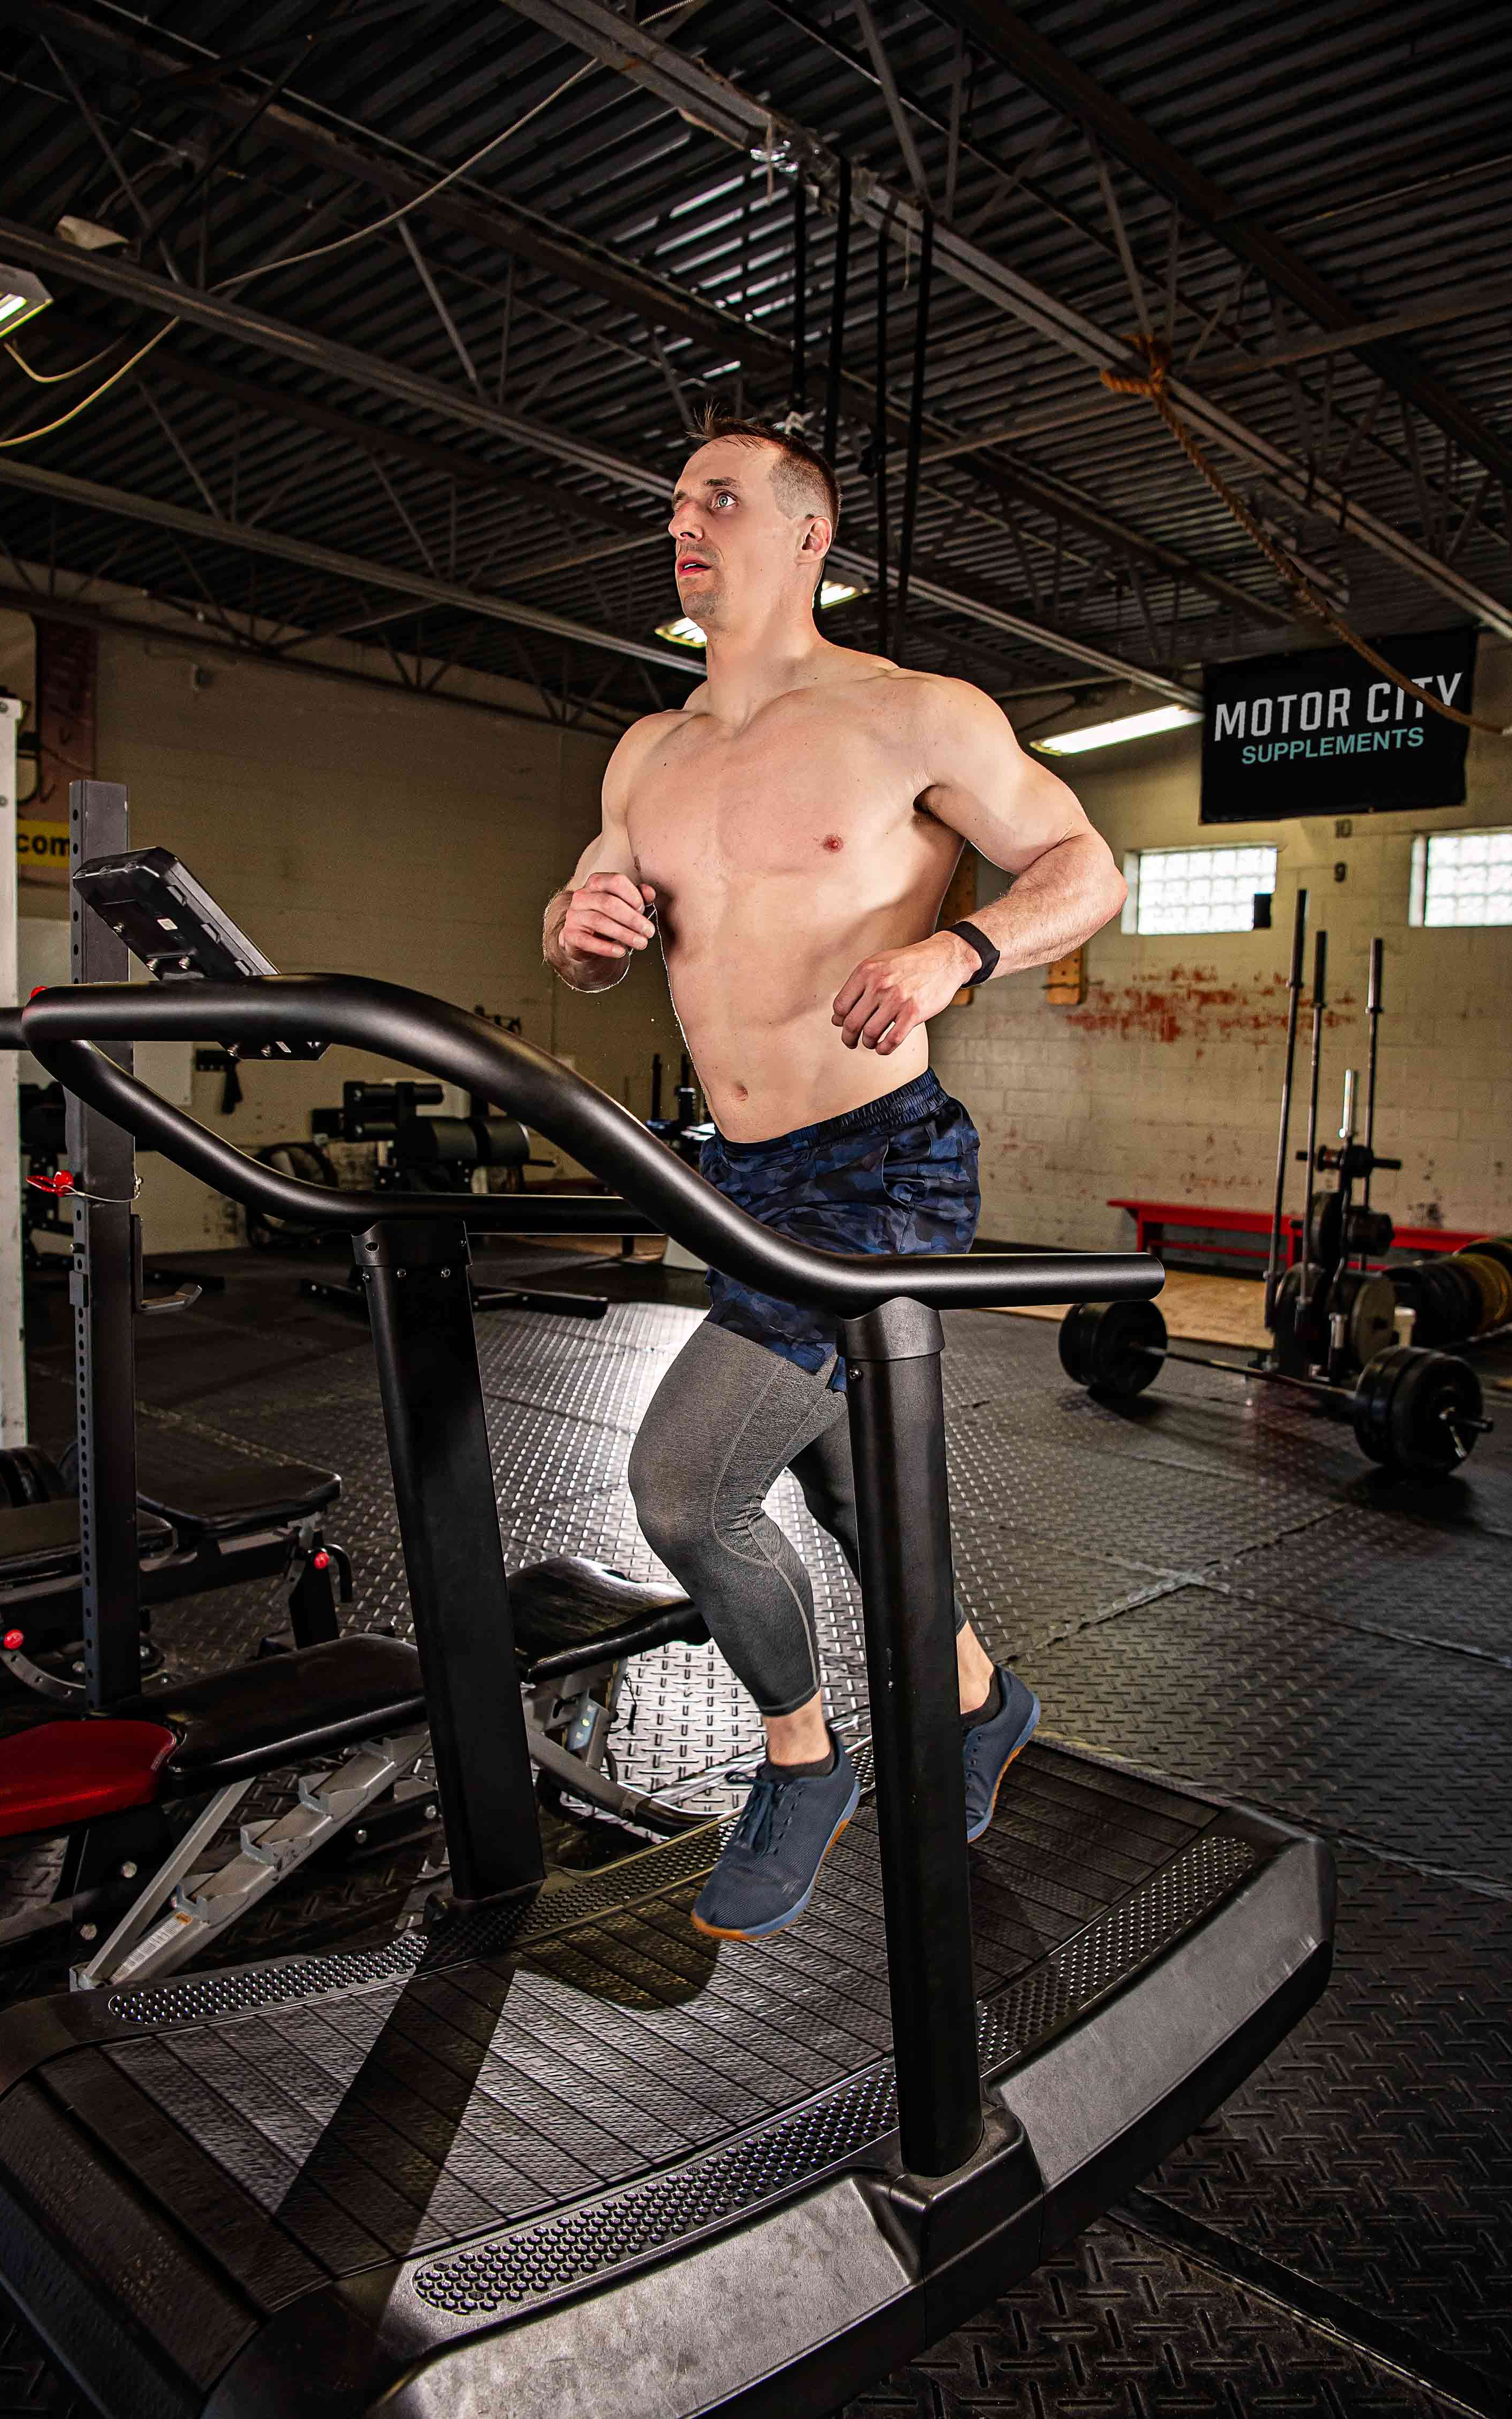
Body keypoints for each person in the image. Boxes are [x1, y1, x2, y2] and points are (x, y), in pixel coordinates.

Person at [542, 404, 1125, 1942]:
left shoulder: (911, 714)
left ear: (809, 537)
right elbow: (589, 925)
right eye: (675, 501)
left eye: (720, 499)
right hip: (732, 1177)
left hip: (876, 1174)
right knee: (853, 1500)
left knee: (682, 1490)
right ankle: (983, 1707)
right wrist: (577, 934)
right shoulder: (646, 750)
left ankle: (801, 1763)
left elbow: (1084, 867)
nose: (686, 522)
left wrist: (958, 947)